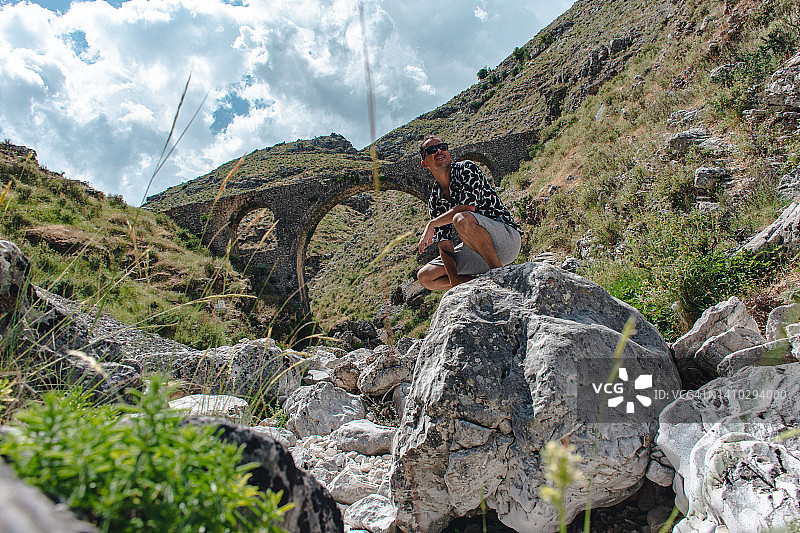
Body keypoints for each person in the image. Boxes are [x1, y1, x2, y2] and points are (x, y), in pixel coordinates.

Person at [416, 135, 522, 290]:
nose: (439, 151)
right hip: (477, 250)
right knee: (426, 277)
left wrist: (432, 224)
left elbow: (467, 208)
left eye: (443, 147)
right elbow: (445, 244)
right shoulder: (435, 200)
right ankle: (484, 287)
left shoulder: (466, 169)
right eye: (432, 150)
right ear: (424, 163)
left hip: (506, 239)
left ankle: (500, 276)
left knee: (461, 218)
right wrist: (455, 283)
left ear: (448, 152)